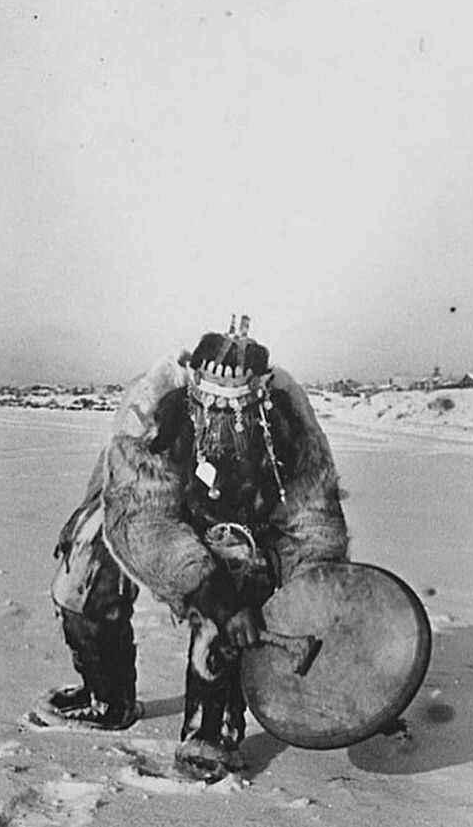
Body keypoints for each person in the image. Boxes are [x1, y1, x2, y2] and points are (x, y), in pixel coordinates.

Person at [49, 316, 349, 776]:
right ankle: (106, 697)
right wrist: (212, 593)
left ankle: (211, 727)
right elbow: (146, 521)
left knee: (239, 572)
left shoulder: (292, 424)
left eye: (239, 409)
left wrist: (308, 602)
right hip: (138, 505)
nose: (224, 420)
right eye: (212, 406)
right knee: (84, 575)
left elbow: (311, 526)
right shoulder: (150, 413)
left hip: (247, 522)